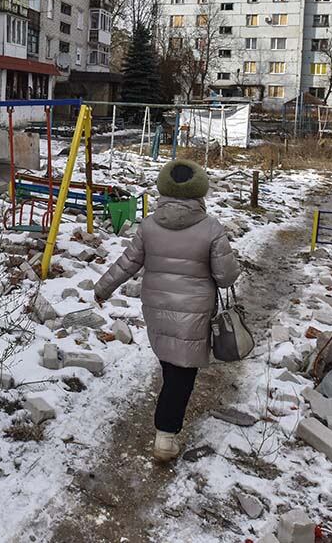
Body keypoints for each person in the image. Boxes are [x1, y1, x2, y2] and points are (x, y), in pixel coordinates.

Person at [93, 158, 239, 462]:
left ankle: (166, 429)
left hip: (157, 310)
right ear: (200, 189)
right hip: (194, 313)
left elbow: (127, 263)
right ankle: (165, 436)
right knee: (182, 376)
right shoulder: (211, 228)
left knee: (171, 367)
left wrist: (102, 288)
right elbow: (226, 278)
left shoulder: (149, 225)